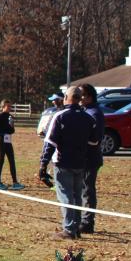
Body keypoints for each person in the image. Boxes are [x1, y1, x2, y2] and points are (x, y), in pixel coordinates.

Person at [39, 86, 100, 240]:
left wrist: (43, 164)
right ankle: (76, 227)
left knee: (65, 196)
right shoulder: (88, 118)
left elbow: (50, 143)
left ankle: (69, 229)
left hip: (62, 163)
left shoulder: (60, 116)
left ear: (67, 98)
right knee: (77, 196)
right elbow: (94, 141)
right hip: (80, 163)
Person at [78, 84, 104, 234]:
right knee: (83, 189)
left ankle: (88, 222)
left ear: (89, 97)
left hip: (90, 158)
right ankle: (82, 219)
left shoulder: (94, 113)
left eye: (81, 95)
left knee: (87, 190)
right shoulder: (85, 111)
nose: (79, 98)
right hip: (83, 158)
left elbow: (96, 139)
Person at [0, 99, 24, 190]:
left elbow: (12, 131)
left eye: (10, 106)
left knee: (12, 160)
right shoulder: (0, 116)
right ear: (3, 107)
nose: (10, 108)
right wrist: (5, 129)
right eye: (8, 106)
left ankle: (15, 182)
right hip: (1, 140)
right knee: (1, 160)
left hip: (8, 141)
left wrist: (12, 125)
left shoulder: (10, 116)